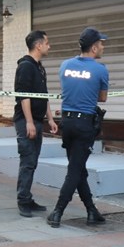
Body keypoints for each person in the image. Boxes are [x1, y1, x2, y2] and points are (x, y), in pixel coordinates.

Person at [48, 27, 109, 229]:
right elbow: (102, 98)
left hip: (67, 123)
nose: (103, 46)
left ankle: (92, 211)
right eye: (101, 43)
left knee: (78, 167)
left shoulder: (65, 65)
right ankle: (58, 211)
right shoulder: (100, 69)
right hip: (85, 125)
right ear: (93, 47)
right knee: (75, 170)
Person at [14, 31, 59, 217]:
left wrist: (50, 118)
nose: (50, 46)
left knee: (32, 162)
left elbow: (43, 95)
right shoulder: (25, 66)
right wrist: (30, 122)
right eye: (47, 42)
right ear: (38, 45)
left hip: (38, 120)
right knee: (27, 161)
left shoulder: (39, 67)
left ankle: (27, 197)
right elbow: (23, 96)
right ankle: (23, 201)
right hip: (26, 121)